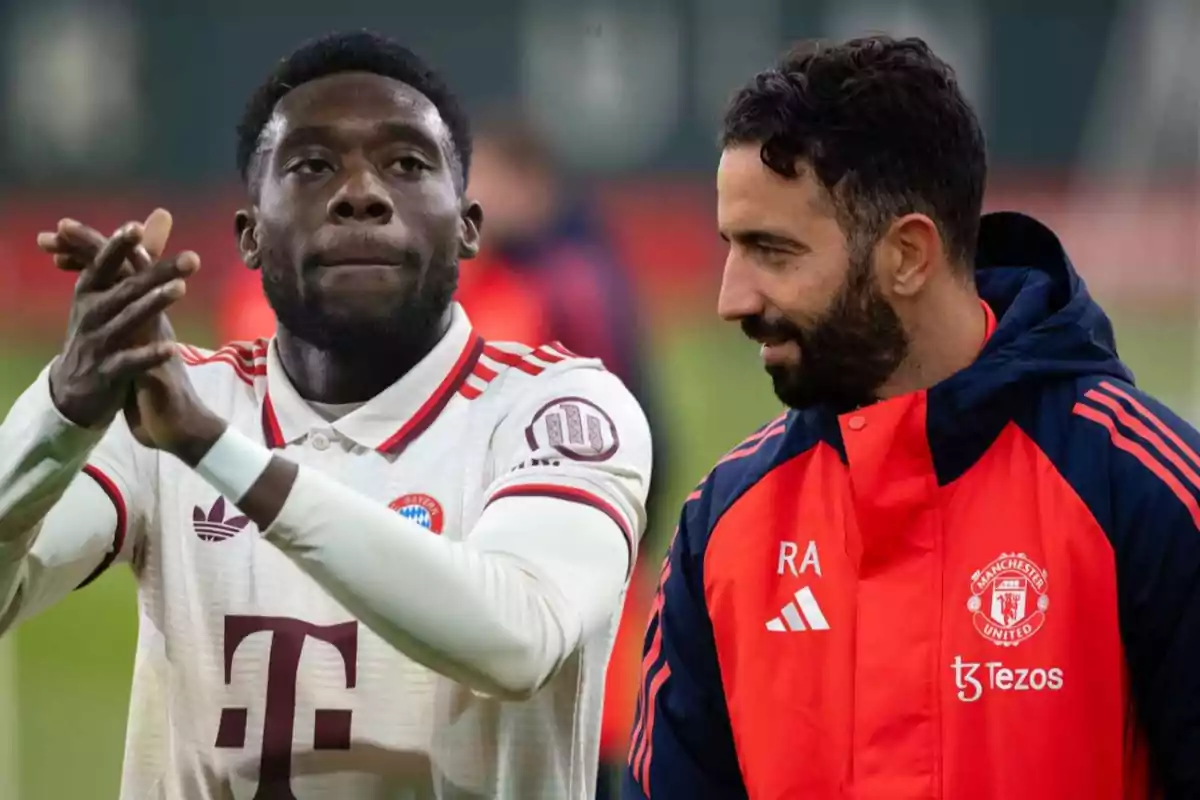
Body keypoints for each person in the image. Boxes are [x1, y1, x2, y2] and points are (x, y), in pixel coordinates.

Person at [3, 30, 652, 799]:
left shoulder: (558, 410)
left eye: (407, 164)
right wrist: (60, 411)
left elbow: (515, 641)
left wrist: (218, 454)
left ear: (469, 226)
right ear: (248, 236)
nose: (362, 192)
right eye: (312, 166)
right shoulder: (168, 410)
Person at [624, 35, 1198, 800]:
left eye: (773, 251)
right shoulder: (722, 528)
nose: (733, 298)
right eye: (730, 246)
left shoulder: (1146, 490)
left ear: (908, 256)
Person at [459, 116, 668, 800]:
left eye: (486, 179)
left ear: (529, 184)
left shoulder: (562, 284)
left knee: (581, 735)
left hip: (579, 544)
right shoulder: (560, 269)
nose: (472, 198)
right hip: (580, 541)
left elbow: (620, 423)